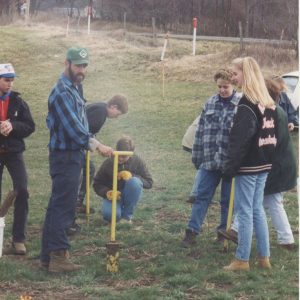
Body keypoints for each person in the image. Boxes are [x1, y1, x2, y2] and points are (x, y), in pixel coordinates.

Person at [40, 47, 113, 273]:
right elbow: (75, 130)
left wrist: (92, 141)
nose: (81, 70)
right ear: (67, 63)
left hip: (72, 154)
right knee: (64, 206)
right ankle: (59, 257)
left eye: (84, 66)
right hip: (66, 156)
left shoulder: (75, 88)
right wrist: (96, 144)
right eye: (77, 65)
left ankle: (47, 256)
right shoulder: (62, 92)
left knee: (57, 205)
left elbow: (79, 124)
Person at [219, 78, 297, 251]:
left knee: (263, 200)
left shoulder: (273, 112)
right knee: (264, 200)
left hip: (276, 164)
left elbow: (266, 142)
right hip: (277, 163)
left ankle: (238, 230)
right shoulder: (274, 110)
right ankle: (285, 239)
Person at [222, 57, 278, 272]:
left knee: (244, 211)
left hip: (249, 166)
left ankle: (242, 259)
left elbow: (239, 140)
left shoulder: (246, 104)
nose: (233, 77)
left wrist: (229, 168)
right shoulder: (267, 102)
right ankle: (264, 257)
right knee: (256, 210)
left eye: (235, 73)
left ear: (245, 73)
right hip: (264, 164)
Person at [181, 69, 240, 247]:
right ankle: (191, 232)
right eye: (219, 87)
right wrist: (197, 157)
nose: (222, 90)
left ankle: (223, 233)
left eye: (226, 87)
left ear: (234, 85)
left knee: (227, 201)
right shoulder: (210, 103)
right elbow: (199, 132)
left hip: (230, 163)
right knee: (201, 196)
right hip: (209, 161)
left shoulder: (241, 104)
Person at [0, 63, 35, 255]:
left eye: (12, 80)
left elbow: (30, 126)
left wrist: (12, 126)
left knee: (22, 190)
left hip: (14, 152)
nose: (10, 84)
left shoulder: (19, 102)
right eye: (6, 80)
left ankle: (18, 239)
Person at [76, 95, 129, 213]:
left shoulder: (99, 107)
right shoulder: (100, 112)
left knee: (88, 169)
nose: (116, 118)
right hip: (74, 147)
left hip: (77, 146)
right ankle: (76, 202)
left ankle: (76, 202)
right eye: (118, 114)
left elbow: (89, 133)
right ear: (114, 106)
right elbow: (84, 132)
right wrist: (99, 146)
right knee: (88, 169)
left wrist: (99, 147)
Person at [93, 136, 153, 223]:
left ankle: (127, 216)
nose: (120, 158)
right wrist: (107, 192)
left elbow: (149, 182)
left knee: (135, 182)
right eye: (119, 155)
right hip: (113, 197)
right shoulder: (108, 163)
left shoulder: (137, 161)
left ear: (131, 153)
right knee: (111, 216)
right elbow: (97, 184)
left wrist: (132, 175)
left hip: (129, 193)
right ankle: (116, 210)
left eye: (124, 156)